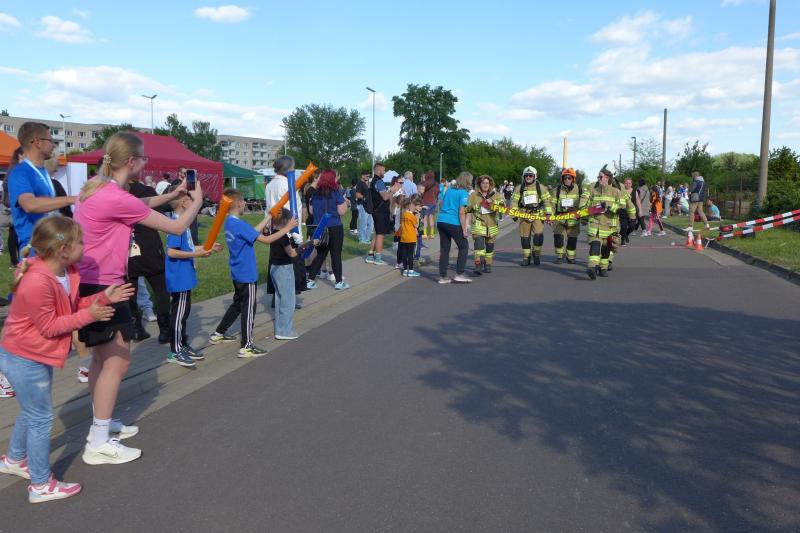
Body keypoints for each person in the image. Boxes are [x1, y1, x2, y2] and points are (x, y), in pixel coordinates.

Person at [74, 132, 203, 465]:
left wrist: (171, 194)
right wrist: (197, 200)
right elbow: (177, 228)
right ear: (131, 162)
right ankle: (98, 442)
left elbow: (138, 207)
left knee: (101, 360)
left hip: (90, 282)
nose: (146, 163)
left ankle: (101, 424)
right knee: (117, 361)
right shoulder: (115, 196)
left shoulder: (98, 186)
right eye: (143, 158)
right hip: (105, 285)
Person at [0, 216, 134, 503]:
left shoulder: (65, 271)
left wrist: (103, 298)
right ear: (63, 250)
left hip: (33, 353)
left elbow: (70, 306)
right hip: (24, 357)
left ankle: (14, 459)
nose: (86, 246)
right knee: (41, 418)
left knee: (32, 412)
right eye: (81, 242)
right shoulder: (37, 282)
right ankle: (40, 485)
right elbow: (50, 327)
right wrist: (90, 315)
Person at [209, 189, 297, 356]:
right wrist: (288, 228)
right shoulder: (239, 225)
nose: (244, 205)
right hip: (246, 273)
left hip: (237, 271)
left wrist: (269, 216)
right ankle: (247, 345)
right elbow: (267, 240)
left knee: (237, 304)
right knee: (249, 308)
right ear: (239, 204)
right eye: (243, 202)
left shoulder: (230, 223)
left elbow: (253, 232)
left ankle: (219, 333)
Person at [164, 181, 223, 367]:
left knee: (184, 312)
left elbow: (188, 248)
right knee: (179, 314)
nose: (194, 200)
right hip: (179, 277)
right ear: (183, 202)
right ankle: (175, 351)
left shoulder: (183, 223)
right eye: (191, 198)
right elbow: (172, 252)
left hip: (185, 276)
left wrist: (206, 247)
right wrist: (197, 254)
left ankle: (182, 344)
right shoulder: (176, 224)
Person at [8, 122, 76, 256]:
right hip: (35, 251)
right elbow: (30, 205)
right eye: (50, 140)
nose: (53, 145)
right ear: (38, 143)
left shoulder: (43, 171)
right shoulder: (20, 173)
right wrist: (71, 199)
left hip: (53, 246)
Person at [126, 177, 172, 344]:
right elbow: (159, 216)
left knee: (129, 291)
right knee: (161, 289)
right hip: (148, 245)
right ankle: (165, 330)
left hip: (126, 246)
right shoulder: (146, 191)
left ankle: (136, 329)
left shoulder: (113, 193)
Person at [306, 169, 349, 290]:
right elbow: (342, 211)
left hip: (320, 227)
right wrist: (345, 203)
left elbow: (311, 211)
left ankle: (310, 280)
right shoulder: (335, 192)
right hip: (334, 226)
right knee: (336, 254)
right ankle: (339, 282)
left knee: (320, 254)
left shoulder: (315, 193)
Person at [583, 165, 624, 279]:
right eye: (598, 177)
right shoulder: (593, 190)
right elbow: (585, 206)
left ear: (607, 178)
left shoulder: (616, 192)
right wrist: (584, 216)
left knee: (606, 249)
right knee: (595, 246)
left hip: (610, 228)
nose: (599, 179)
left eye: (601, 177)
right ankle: (592, 267)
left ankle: (603, 268)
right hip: (595, 226)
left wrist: (609, 206)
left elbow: (622, 208)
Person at [436, 171, 473, 284]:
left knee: (444, 249)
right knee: (463, 246)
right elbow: (461, 212)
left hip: (441, 220)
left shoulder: (449, 190)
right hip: (453, 222)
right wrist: (464, 229)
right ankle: (460, 274)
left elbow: (441, 204)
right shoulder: (463, 193)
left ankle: (443, 276)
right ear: (467, 181)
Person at [512, 166, 552, 266]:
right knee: (525, 238)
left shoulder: (541, 188)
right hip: (524, 215)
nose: (528, 177)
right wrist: (514, 213)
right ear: (523, 176)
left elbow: (547, 202)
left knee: (538, 236)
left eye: (530, 175)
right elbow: (514, 202)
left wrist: (548, 214)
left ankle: (536, 255)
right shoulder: (519, 188)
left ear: (535, 176)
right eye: (526, 175)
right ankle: (526, 258)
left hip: (538, 215)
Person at [365, 163, 403, 266]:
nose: (384, 172)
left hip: (376, 211)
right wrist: (392, 190)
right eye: (383, 170)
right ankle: (378, 258)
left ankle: (370, 255)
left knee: (377, 233)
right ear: (378, 170)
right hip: (380, 212)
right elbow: (385, 197)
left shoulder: (374, 181)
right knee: (380, 235)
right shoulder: (379, 182)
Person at [467, 174, 503, 275]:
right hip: (479, 224)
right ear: (479, 184)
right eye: (483, 183)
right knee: (479, 245)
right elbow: (467, 208)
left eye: (487, 183)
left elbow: (503, 205)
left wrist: (493, 201)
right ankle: (478, 265)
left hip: (492, 225)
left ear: (490, 184)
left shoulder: (496, 194)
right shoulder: (473, 195)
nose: (485, 185)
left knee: (489, 247)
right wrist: (473, 208)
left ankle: (488, 264)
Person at [552, 168, 584, 264]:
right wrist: (550, 216)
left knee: (572, 240)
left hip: (574, 220)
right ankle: (559, 256)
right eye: (565, 178)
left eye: (569, 178)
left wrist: (584, 218)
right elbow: (552, 205)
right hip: (560, 219)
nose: (567, 180)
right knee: (558, 239)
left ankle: (570, 257)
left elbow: (584, 204)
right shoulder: (557, 190)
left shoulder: (580, 190)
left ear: (573, 179)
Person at [398, 196, 423, 277]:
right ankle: (411, 270)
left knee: (404, 254)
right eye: (413, 205)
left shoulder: (404, 214)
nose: (414, 207)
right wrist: (417, 217)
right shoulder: (411, 216)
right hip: (411, 237)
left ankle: (405, 270)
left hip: (404, 237)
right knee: (410, 255)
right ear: (409, 206)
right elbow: (416, 225)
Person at [355, 170, 373, 244]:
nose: (368, 177)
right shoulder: (360, 183)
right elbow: (357, 194)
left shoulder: (366, 184)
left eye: (369, 176)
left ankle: (367, 238)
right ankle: (362, 239)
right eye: (366, 176)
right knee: (363, 223)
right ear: (362, 176)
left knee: (371, 224)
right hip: (363, 205)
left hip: (368, 206)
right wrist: (364, 198)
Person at [420, 170, 439, 239]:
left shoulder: (425, 182)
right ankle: (432, 234)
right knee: (431, 217)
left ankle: (425, 234)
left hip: (426, 202)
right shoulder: (436, 183)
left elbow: (421, 191)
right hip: (433, 202)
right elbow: (437, 192)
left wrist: (422, 195)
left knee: (425, 218)